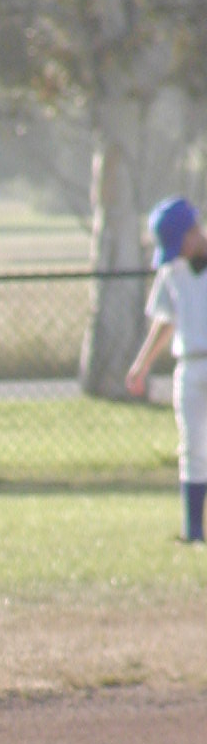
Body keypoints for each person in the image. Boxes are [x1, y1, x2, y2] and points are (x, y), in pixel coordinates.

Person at [125, 194, 207, 543]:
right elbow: (165, 320)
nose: (177, 252)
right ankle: (193, 531)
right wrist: (141, 364)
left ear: (192, 232)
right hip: (188, 364)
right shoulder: (172, 270)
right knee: (192, 448)